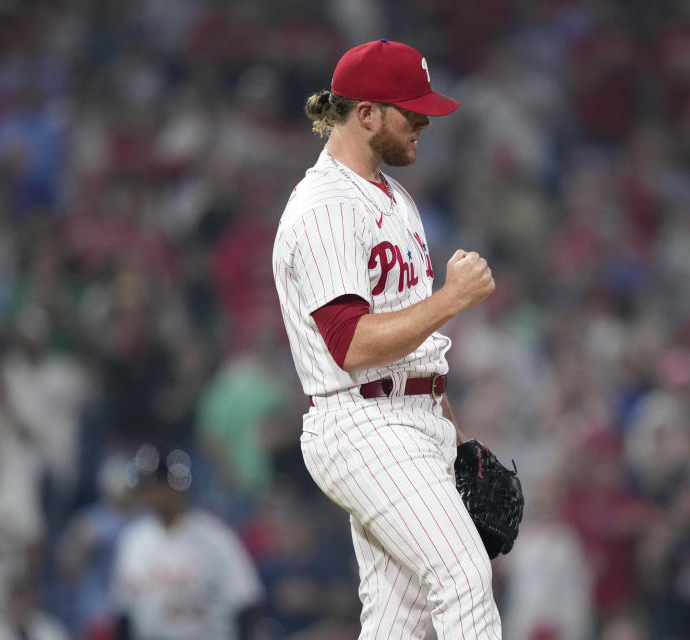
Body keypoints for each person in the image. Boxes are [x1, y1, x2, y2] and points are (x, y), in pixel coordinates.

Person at [272, 39, 501, 638]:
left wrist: (453, 435)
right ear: (366, 112)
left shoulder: (394, 199)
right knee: (463, 576)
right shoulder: (324, 206)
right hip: (362, 421)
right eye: (411, 108)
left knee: (402, 621)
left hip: (413, 414)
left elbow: (413, 342)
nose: (425, 120)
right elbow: (350, 344)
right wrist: (453, 298)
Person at [109, 445, 263, 640]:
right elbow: (124, 614)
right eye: (147, 486)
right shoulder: (133, 540)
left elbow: (246, 603)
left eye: (158, 485)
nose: (153, 494)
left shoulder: (216, 537)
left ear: (177, 485)